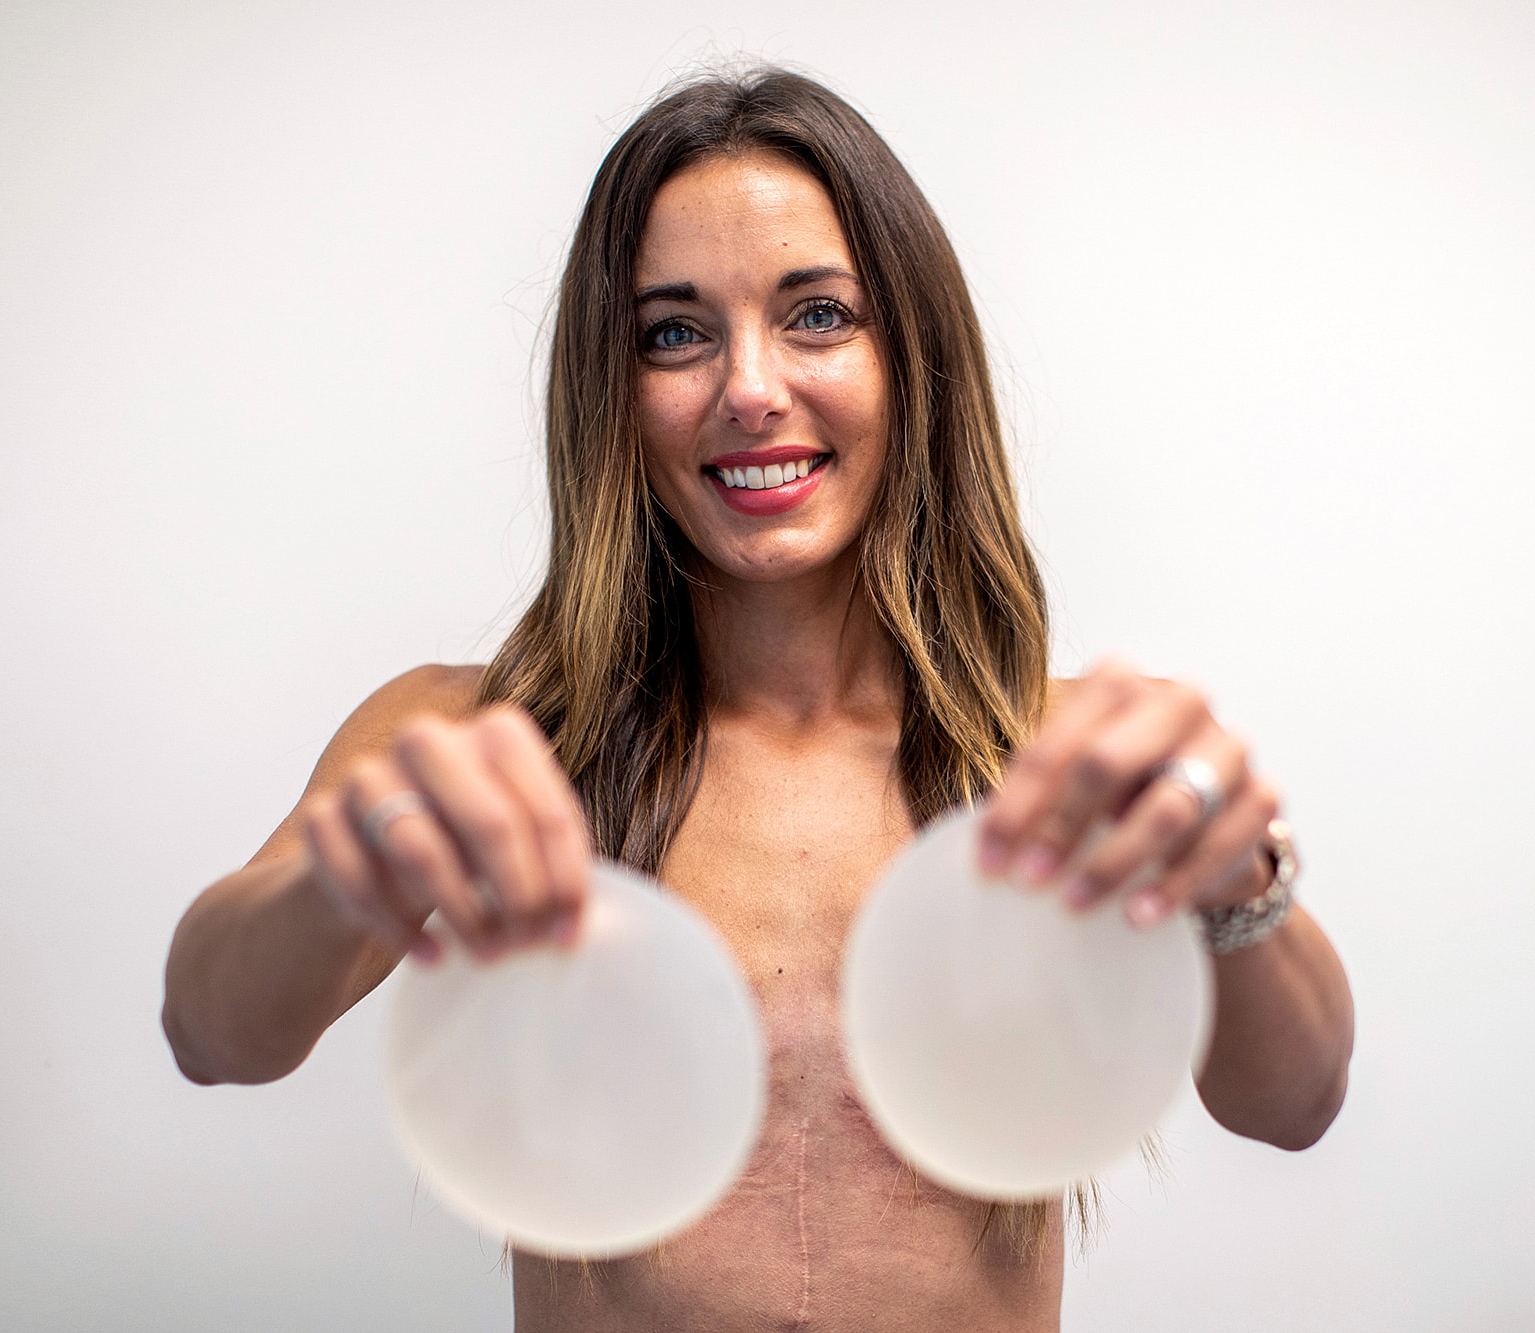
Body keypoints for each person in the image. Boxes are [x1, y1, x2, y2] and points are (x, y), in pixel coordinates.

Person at [162, 67, 1354, 1333]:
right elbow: (210, 1030)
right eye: (673, 333)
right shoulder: (481, 747)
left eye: (816, 316)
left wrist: (1234, 877)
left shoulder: (1065, 764)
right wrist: (347, 871)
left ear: (912, 357)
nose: (747, 388)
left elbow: (1297, 1102)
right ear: (612, 391)